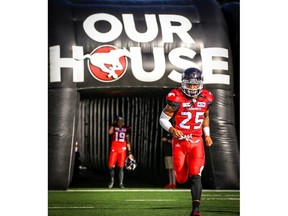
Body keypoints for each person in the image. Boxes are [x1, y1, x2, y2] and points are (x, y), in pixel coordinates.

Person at [159, 67, 214, 216]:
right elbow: (163, 119)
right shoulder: (176, 97)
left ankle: (195, 210)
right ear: (183, 83)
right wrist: (172, 129)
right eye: (189, 84)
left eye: (195, 84)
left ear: (200, 83)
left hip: (197, 142)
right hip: (180, 142)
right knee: (182, 178)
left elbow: (205, 116)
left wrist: (207, 134)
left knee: (196, 175)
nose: (192, 87)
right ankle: (182, 177)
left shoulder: (206, 98)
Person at [108, 115, 134, 188]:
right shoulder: (114, 127)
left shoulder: (126, 128)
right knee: (111, 166)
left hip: (122, 149)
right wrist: (113, 125)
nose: (120, 122)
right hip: (114, 148)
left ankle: (121, 183)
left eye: (121, 120)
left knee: (121, 167)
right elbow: (110, 132)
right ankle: (112, 180)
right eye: (119, 120)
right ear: (116, 121)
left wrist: (130, 152)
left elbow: (128, 141)